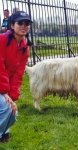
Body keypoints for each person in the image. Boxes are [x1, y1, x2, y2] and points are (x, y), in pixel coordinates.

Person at [0, 10, 33, 143]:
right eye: (20, 23)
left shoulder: (25, 48)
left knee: (13, 112)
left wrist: (12, 97)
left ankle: (4, 132)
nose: (24, 26)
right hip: (1, 85)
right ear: (12, 25)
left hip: (4, 86)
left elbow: (18, 75)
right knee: (5, 107)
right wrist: (4, 92)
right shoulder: (2, 40)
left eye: (27, 23)